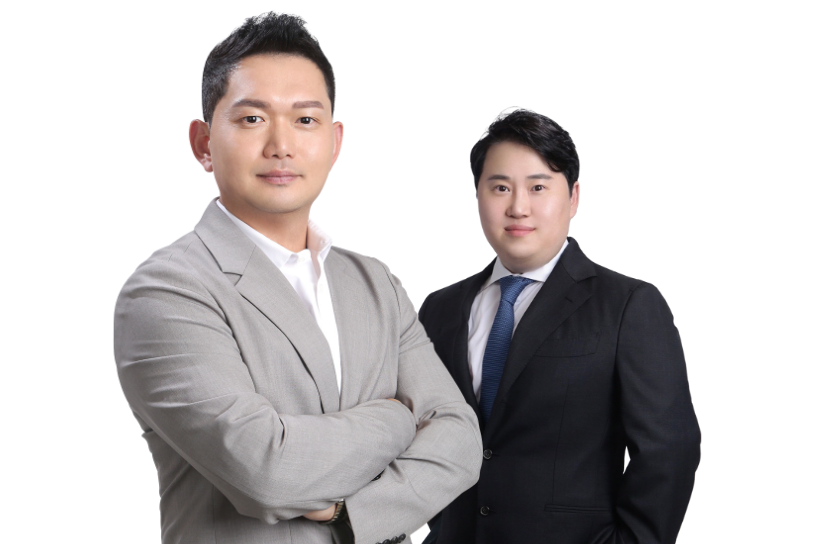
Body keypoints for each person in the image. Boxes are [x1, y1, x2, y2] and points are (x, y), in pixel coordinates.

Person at [112, 10, 481, 544]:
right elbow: (268, 472)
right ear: (203, 143)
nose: (281, 145)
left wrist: (349, 516)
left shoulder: (375, 282)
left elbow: (460, 441)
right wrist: (399, 420)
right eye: (252, 119)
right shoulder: (167, 290)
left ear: (335, 142)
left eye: (305, 120)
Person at [418, 106, 700, 543]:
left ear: (573, 197)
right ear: (478, 197)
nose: (518, 207)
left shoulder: (627, 305)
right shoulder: (440, 308)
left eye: (538, 187)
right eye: (500, 187)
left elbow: (668, 450)